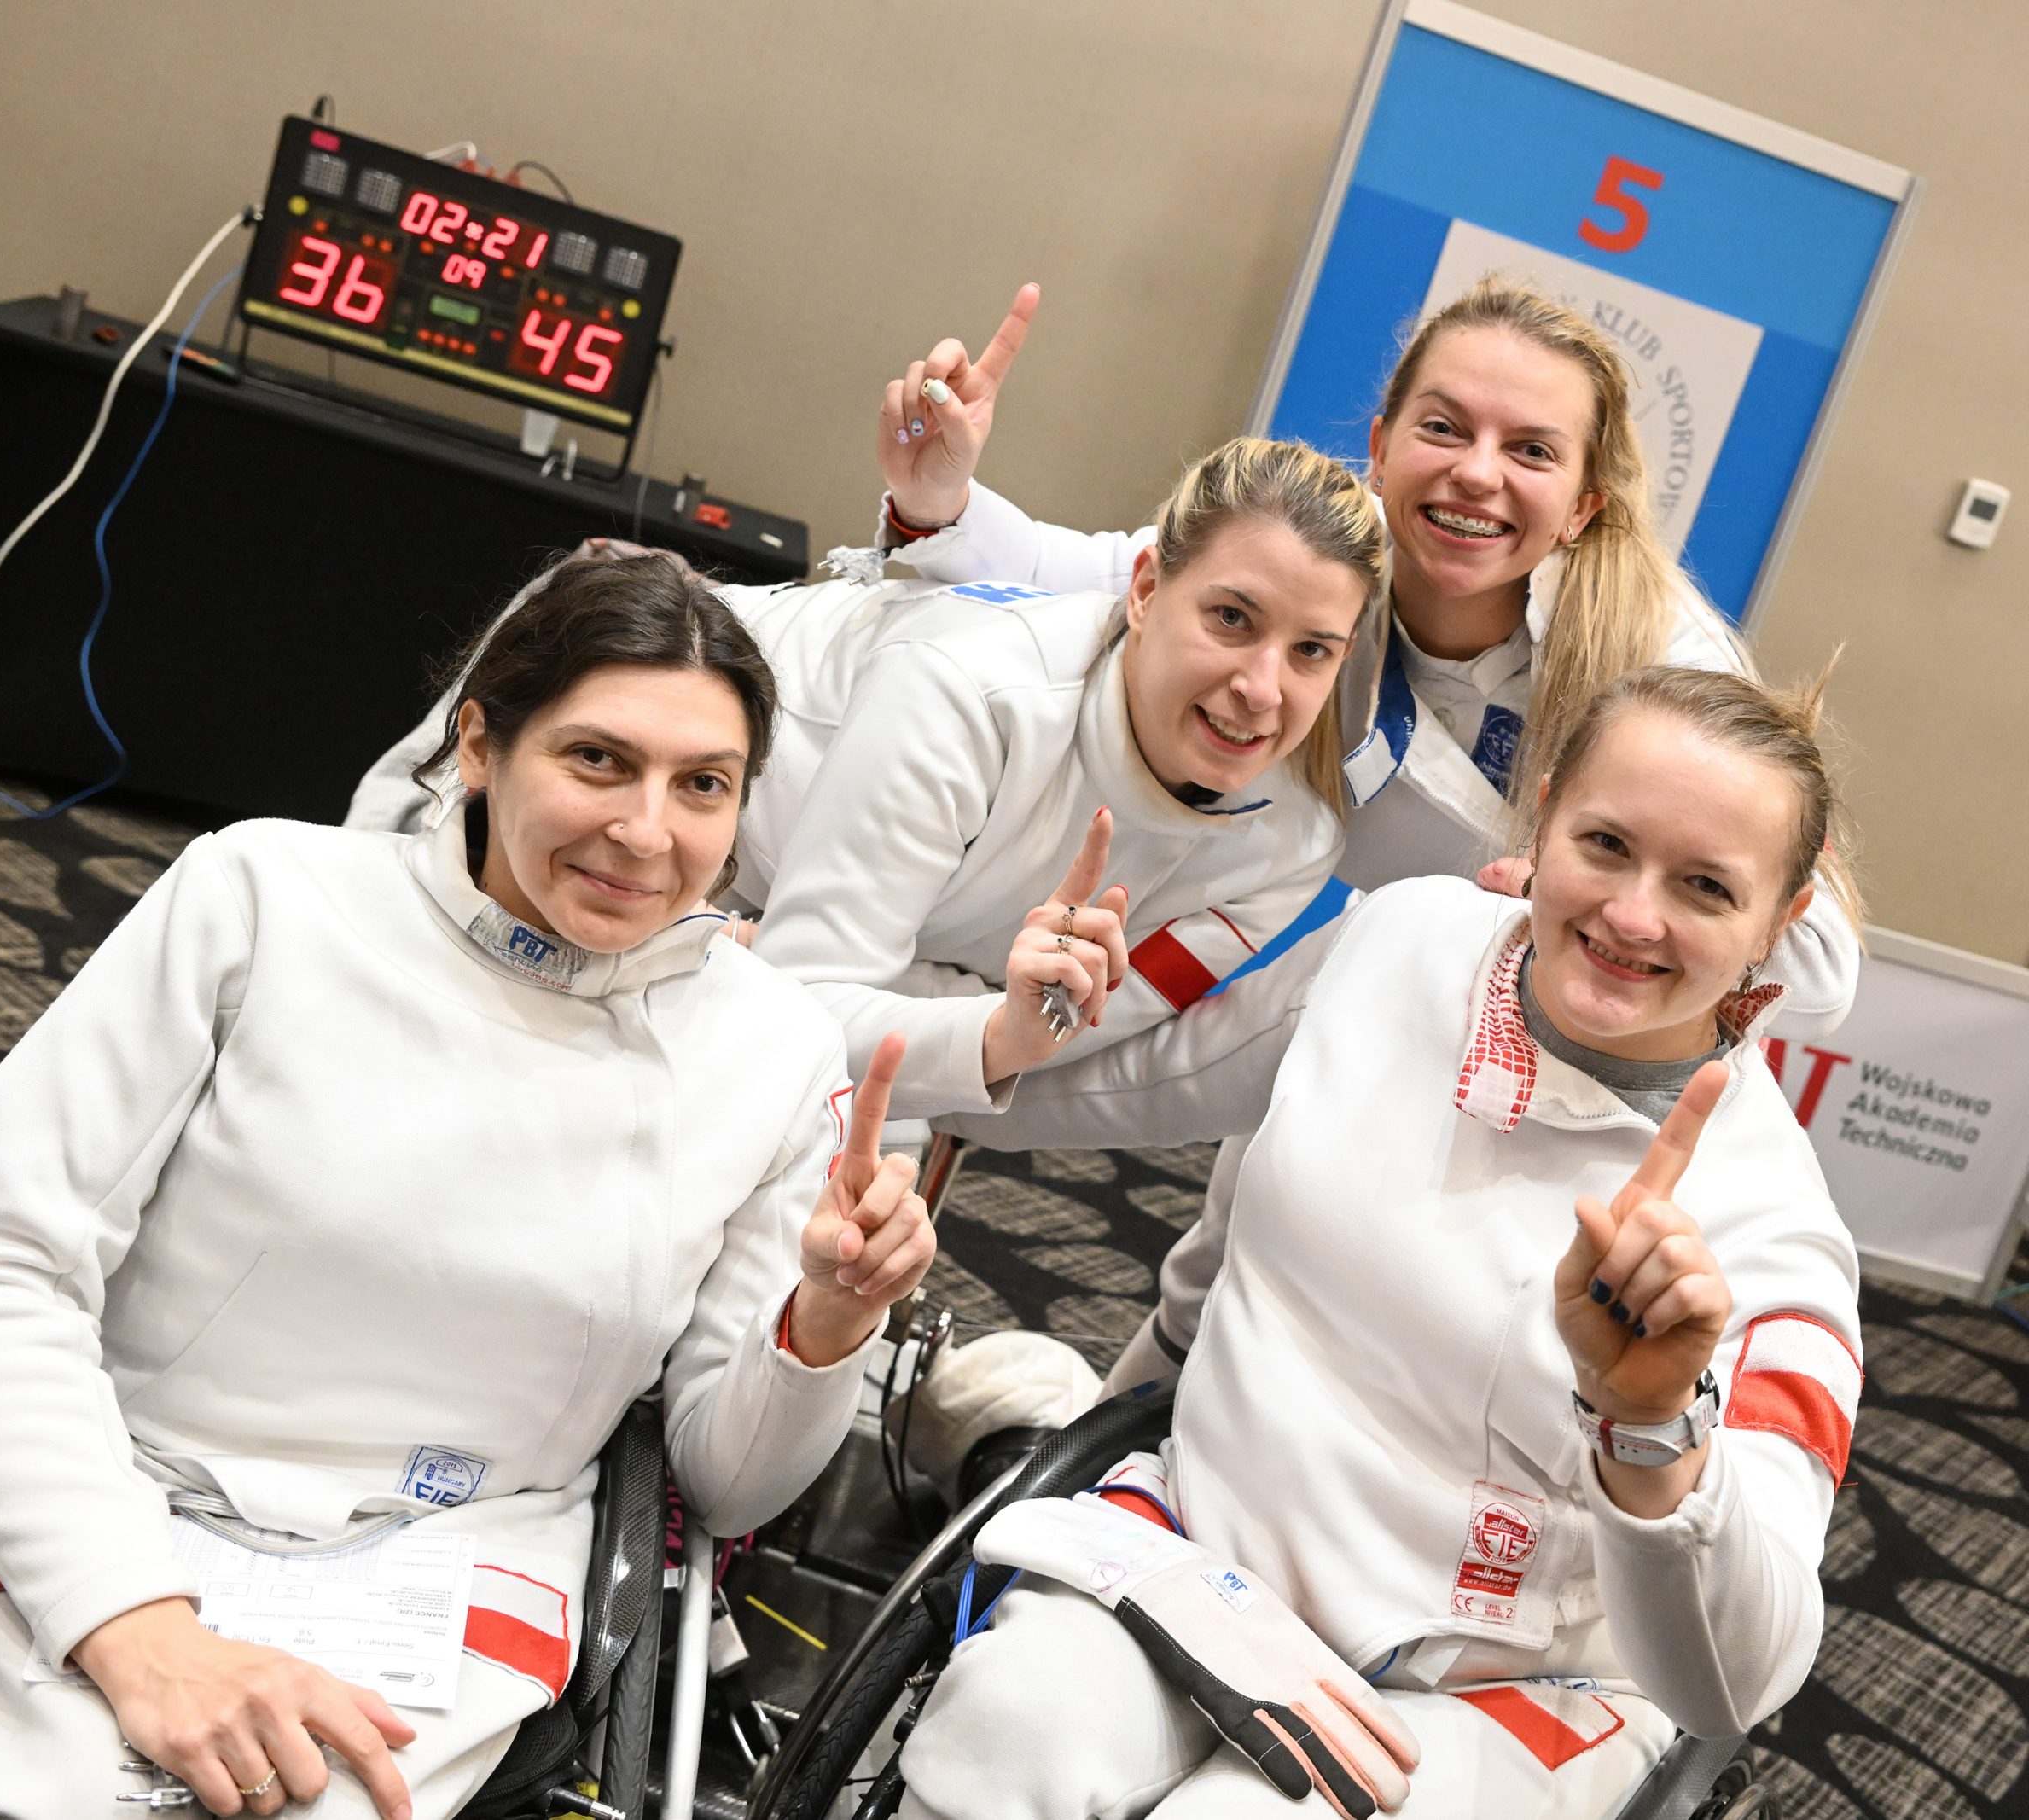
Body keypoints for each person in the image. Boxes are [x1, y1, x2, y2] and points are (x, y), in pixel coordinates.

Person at [0, 555, 938, 1820]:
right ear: (480, 745)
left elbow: (727, 1485)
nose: (647, 832)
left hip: (457, 1566)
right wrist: (135, 1626)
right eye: (597, 760)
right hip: (124, 1494)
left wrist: (826, 1321)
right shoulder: (261, 899)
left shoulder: (772, 1051)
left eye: (702, 785)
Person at [898, 665, 1863, 1820]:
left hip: (1491, 1688)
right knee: (999, 1731)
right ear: (1544, 818)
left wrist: (1653, 1431)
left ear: (1779, 923)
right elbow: (1217, 1228)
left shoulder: (1773, 1237)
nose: (1632, 915)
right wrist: (955, 1061)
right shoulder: (1401, 937)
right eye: (1605, 845)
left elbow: (1739, 1678)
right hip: (1210, 1553)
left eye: (1705, 886)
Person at [872, 275, 1862, 1375]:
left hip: (1580, 1061)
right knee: (1227, 1270)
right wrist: (940, 495)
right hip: (1379, 991)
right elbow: (1092, 569)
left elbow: (1820, 966)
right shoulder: (1317, 560)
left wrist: (1575, 893)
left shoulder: (1655, 653)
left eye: (1530, 450)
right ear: (1382, 448)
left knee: (1474, 1352)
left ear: (1584, 502)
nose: (1476, 473)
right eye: (1444, 428)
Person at [348, 437, 1382, 1125]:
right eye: (1231, 619)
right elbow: (803, 1008)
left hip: (737, 917)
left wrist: (966, 1016)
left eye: (1311, 651)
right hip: (588, 704)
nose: (1260, 690)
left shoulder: (1291, 848)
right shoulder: (971, 690)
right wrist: (975, 1012)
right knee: (371, 1011)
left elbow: (1053, 1036)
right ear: (1147, 589)